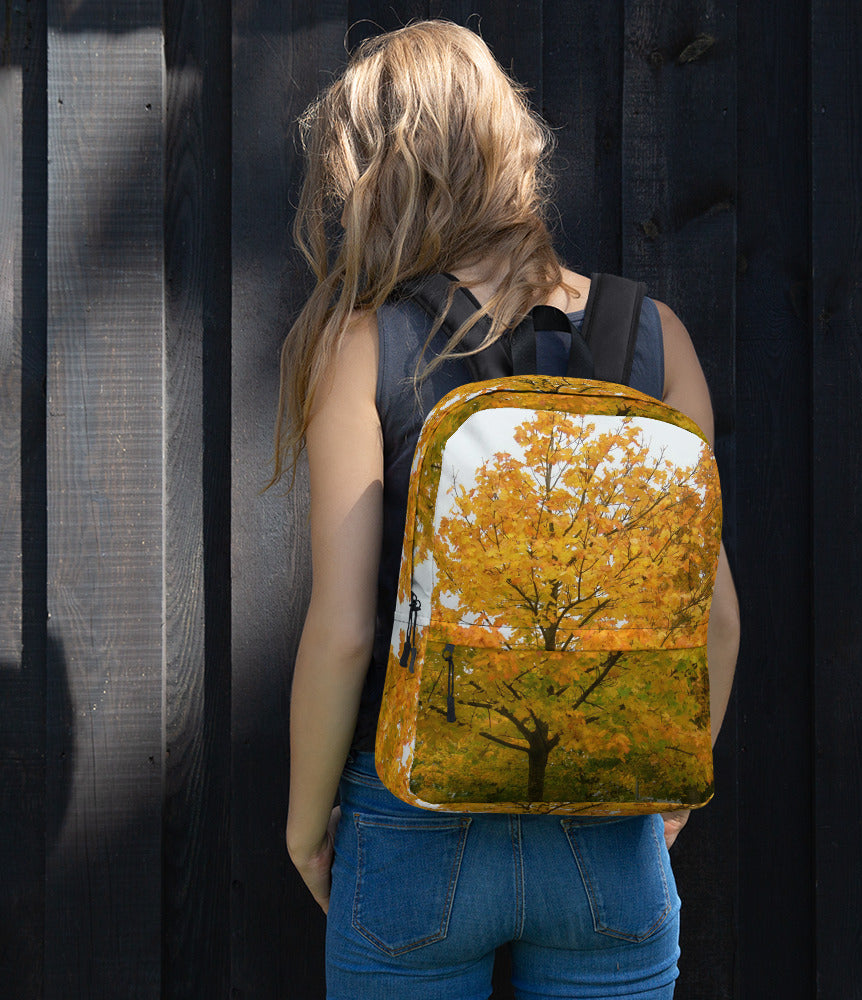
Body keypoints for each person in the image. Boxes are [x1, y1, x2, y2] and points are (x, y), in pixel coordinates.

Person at [273, 20, 740, 1000]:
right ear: (512, 148)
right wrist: (670, 796)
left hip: (412, 817)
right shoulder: (656, 336)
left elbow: (347, 627)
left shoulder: (362, 344)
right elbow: (715, 615)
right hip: (607, 825)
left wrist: (306, 824)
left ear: (374, 176)